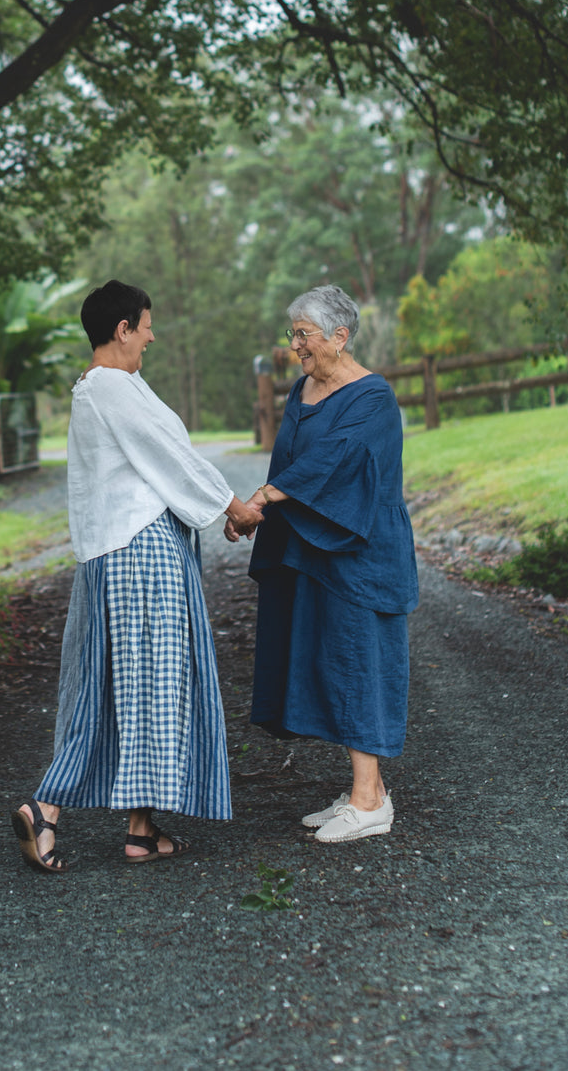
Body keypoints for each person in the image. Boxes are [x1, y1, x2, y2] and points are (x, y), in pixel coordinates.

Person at [12, 279, 263, 873]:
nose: (152, 335)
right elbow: (170, 455)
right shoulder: (108, 386)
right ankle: (46, 808)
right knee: (148, 686)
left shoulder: (109, 387)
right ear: (122, 329)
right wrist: (233, 507)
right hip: (141, 555)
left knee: (133, 687)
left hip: (122, 553)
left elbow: (158, 462)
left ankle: (141, 832)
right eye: (145, 324)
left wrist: (214, 508)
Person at [226, 284, 418, 844]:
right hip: (313, 546)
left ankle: (368, 804)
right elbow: (287, 461)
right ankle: (368, 791)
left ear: (340, 335)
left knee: (361, 660)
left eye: (304, 335)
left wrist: (263, 498)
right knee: (331, 660)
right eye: (293, 334)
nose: (295, 346)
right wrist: (256, 508)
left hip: (361, 550)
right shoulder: (301, 389)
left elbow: (337, 461)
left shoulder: (373, 398)